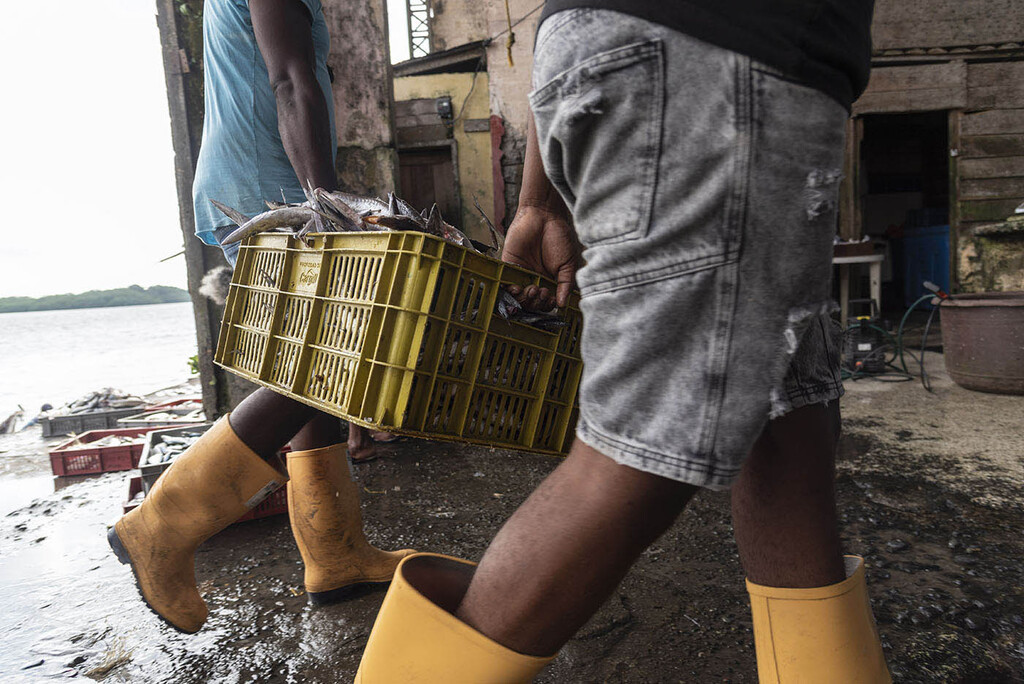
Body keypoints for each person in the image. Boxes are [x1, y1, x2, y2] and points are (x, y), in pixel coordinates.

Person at [355, 1, 892, 682]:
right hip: (723, 62)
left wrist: (539, 201)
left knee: (786, 412)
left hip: (641, 53)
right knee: (645, 447)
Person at [107, 0, 412, 634]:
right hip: (263, 190)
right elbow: (289, 79)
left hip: (255, 180)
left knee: (316, 371)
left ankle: (335, 555)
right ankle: (158, 525)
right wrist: (329, 202)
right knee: (321, 367)